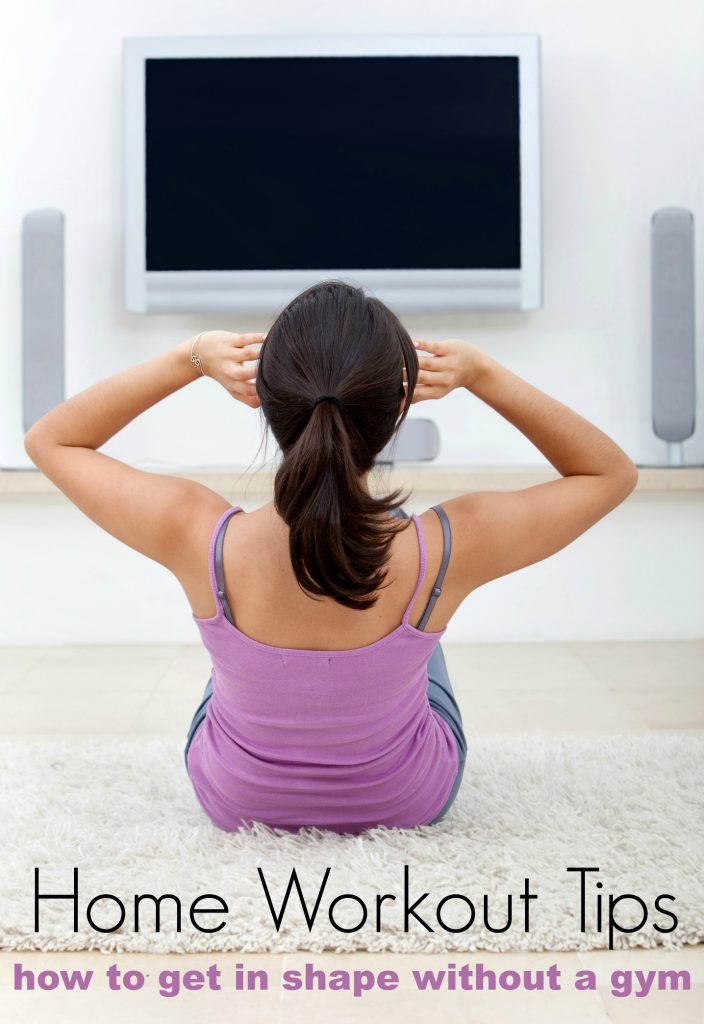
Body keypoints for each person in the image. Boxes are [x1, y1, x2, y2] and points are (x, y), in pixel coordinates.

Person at [23, 280, 638, 835]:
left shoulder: (199, 536)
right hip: (405, 800)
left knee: (228, 635)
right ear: (398, 409)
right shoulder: (448, 546)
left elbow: (50, 439)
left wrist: (190, 360)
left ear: (264, 399)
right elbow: (609, 473)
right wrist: (483, 373)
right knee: (408, 570)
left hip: (239, 802)